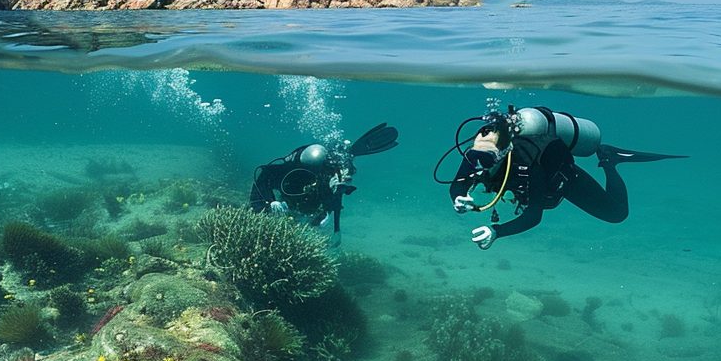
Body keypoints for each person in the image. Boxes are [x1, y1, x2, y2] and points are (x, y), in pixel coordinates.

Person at [447, 105, 682, 249]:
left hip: (563, 181)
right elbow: (456, 187)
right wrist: (458, 198)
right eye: (476, 156)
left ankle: (610, 160)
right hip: (524, 181)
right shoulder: (477, 152)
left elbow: (534, 216)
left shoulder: (528, 166)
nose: (478, 167)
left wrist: (497, 232)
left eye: (486, 160)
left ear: (504, 153)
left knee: (617, 214)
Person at [249, 123, 398, 237]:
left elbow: (334, 197)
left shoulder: (330, 178)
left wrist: (328, 214)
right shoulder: (290, 171)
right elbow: (263, 178)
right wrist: (268, 203)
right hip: (294, 200)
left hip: (310, 204)